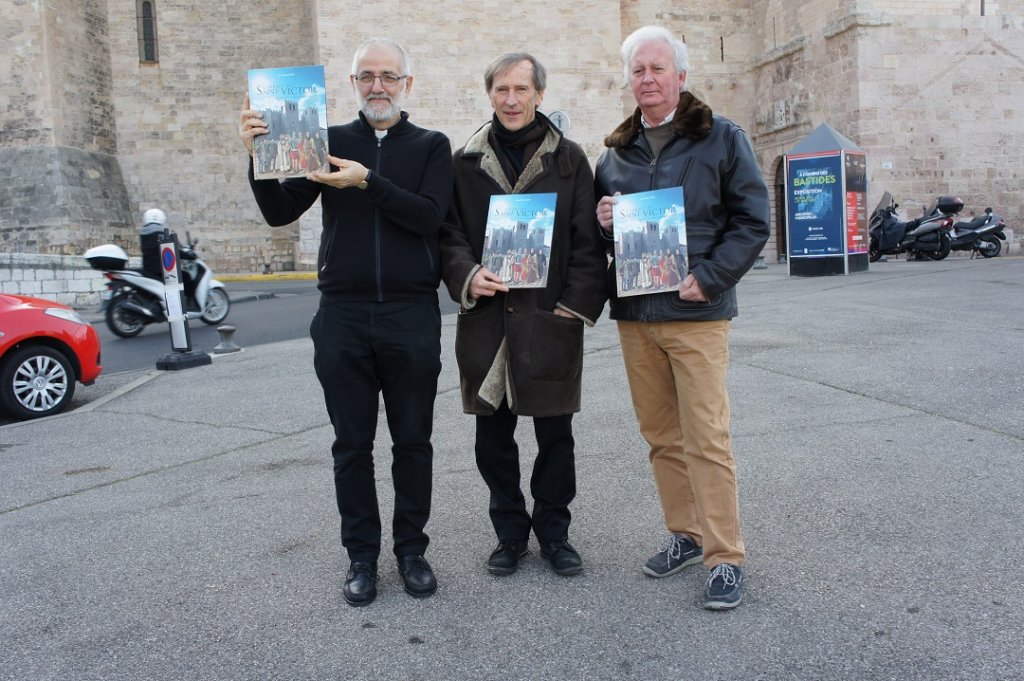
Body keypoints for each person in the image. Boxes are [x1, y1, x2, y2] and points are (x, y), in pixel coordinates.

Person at [239, 37, 453, 607]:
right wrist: (257, 156)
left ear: (407, 84)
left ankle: (412, 551)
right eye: (366, 76)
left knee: (413, 442)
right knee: (350, 446)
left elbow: (430, 218)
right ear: (353, 83)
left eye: (388, 75)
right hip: (342, 314)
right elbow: (279, 212)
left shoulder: (432, 146)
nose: (377, 85)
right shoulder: (326, 140)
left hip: (410, 313)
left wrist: (366, 182)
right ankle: (361, 556)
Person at [595, 26, 770, 610]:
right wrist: (601, 219)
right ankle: (686, 536)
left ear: (681, 77)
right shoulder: (614, 154)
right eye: (638, 70)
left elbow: (751, 222)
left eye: (658, 69)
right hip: (636, 313)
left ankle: (725, 556)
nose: (647, 78)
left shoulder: (721, 138)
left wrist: (711, 277)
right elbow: (605, 235)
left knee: (707, 437)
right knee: (661, 438)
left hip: (697, 311)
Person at [441, 52, 607, 577]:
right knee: (494, 439)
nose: (511, 100)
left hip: (548, 319)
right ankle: (510, 533)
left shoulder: (570, 160)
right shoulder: (463, 163)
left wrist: (572, 307)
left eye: (521, 89)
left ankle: (555, 533)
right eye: (501, 90)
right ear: (489, 94)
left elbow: (587, 244)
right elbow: (449, 236)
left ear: (539, 94)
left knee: (556, 438)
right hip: (488, 322)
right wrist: (467, 274)